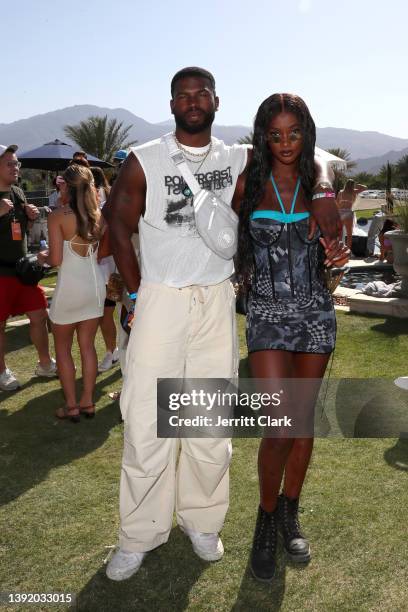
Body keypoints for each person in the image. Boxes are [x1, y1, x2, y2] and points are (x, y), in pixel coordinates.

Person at [103, 67, 342, 581]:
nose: (192, 102)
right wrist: (137, 291)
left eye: (201, 94)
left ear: (215, 101)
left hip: (216, 299)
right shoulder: (146, 158)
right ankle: (138, 535)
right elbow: (117, 227)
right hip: (162, 297)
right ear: (172, 105)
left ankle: (201, 522)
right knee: (148, 420)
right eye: (183, 96)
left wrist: (322, 187)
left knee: (207, 423)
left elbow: (312, 152)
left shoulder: (238, 157)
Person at [234, 93, 349, 582]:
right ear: (263, 136)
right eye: (275, 134)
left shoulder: (317, 182)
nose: (285, 143)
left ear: (307, 134)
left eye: (294, 133)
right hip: (266, 315)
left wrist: (337, 246)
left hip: (314, 314)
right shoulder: (248, 183)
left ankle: (289, 512)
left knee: (302, 423)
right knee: (278, 425)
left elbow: (329, 168)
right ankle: (265, 519)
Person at [37, 164, 106, 421]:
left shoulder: (58, 216)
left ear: (66, 185)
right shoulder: (99, 215)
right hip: (94, 287)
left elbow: (56, 259)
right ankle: (88, 401)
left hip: (69, 289)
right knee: (87, 346)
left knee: (63, 348)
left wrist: (41, 256)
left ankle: (72, 405)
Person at [0, 144, 56, 391]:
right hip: (0, 273)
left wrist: (30, 214)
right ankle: (2, 372)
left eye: (16, 163)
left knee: (39, 314)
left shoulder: (17, 192)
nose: (15, 168)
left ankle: (45, 364)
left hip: (23, 271)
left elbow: (21, 229)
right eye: (10, 164)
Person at [90, 166, 119, 372]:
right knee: (100, 316)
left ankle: (112, 352)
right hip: (96, 271)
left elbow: (107, 243)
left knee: (105, 315)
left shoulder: (107, 207)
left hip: (107, 270)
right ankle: (114, 352)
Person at [336, 179, 367, 250]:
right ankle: (348, 251)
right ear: (353, 185)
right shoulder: (354, 192)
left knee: (340, 234)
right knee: (349, 234)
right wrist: (357, 185)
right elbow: (365, 187)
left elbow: (337, 204)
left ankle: (339, 250)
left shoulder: (340, 192)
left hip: (340, 213)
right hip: (348, 213)